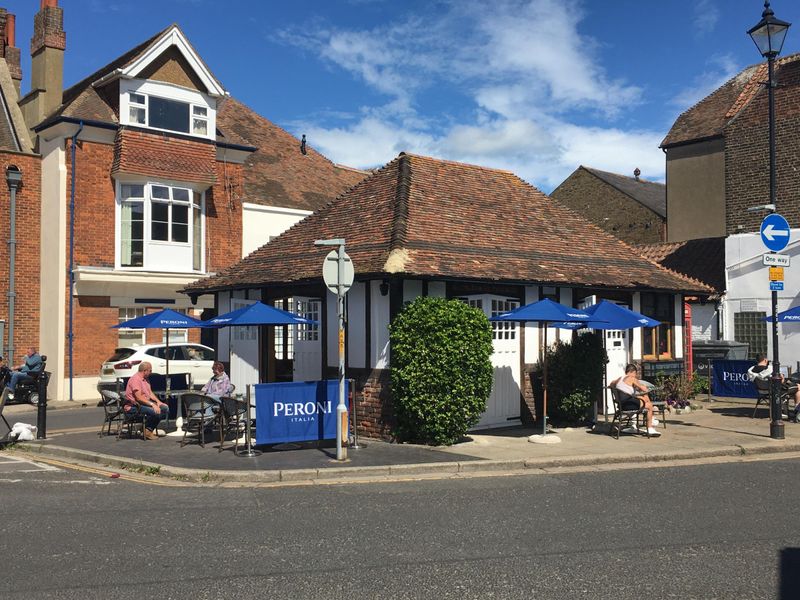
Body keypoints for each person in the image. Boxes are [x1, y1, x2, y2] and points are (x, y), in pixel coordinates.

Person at [611, 363, 661, 436]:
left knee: (642, 398)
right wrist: (639, 387)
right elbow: (644, 389)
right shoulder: (631, 378)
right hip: (628, 405)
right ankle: (650, 427)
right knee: (649, 405)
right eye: (635, 374)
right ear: (633, 372)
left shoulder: (618, 379)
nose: (635, 376)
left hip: (621, 405)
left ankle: (633, 424)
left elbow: (611, 384)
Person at [747, 354, 800, 422]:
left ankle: (790, 410)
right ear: (765, 360)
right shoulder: (771, 369)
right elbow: (781, 380)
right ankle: (796, 410)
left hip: (761, 391)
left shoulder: (751, 370)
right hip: (775, 391)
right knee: (798, 387)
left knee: (793, 388)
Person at [124, 361, 169, 440]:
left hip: (144, 404)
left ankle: (146, 429)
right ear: (145, 371)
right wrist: (152, 404)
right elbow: (139, 398)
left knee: (165, 409)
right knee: (155, 412)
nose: (151, 372)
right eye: (150, 370)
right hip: (134, 406)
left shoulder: (146, 379)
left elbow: (150, 393)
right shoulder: (135, 380)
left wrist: (158, 402)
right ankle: (147, 431)